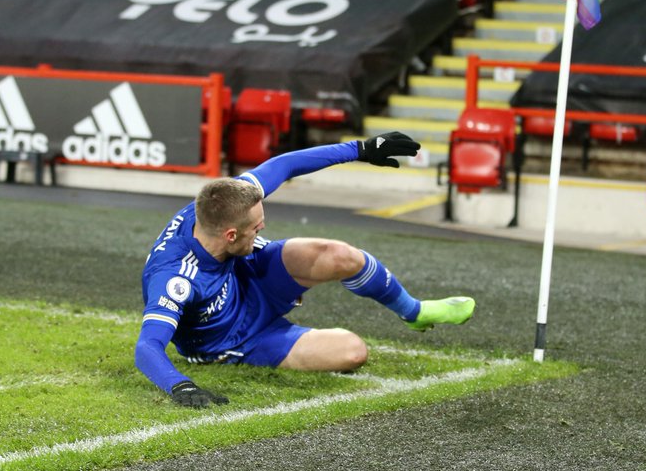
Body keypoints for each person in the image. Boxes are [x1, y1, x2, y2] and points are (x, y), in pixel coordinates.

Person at [136, 132, 476, 408]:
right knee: (352, 351)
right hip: (233, 339)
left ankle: (413, 311)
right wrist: (180, 386)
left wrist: (360, 149)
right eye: (256, 228)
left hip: (247, 274)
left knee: (339, 254)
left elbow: (285, 164)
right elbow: (147, 347)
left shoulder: (223, 200)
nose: (263, 228)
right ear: (230, 234)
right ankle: (241, 352)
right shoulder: (174, 278)